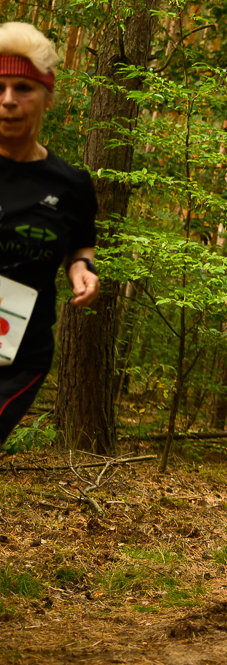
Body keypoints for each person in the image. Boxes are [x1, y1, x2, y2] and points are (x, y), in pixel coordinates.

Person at [0, 22, 99, 447]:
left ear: (47, 97)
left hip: (19, 356)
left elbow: (80, 243)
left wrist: (83, 267)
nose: (7, 101)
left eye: (23, 88)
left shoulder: (71, 185)